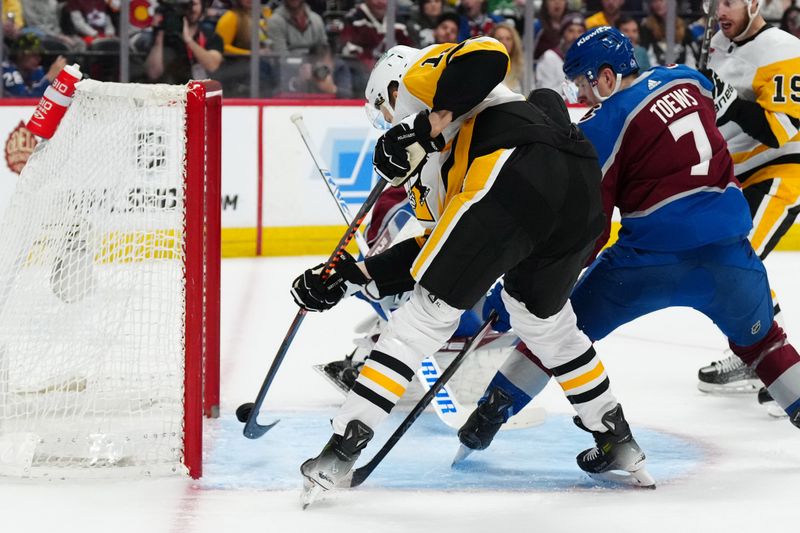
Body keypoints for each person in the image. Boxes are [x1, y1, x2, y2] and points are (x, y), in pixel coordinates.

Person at [292, 36, 652, 507]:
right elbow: (444, 251)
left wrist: (423, 127)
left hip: (518, 175)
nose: (388, 128)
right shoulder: (447, 163)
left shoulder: (425, 79)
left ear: (393, 90)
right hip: (578, 201)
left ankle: (340, 452)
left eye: (386, 114)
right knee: (546, 325)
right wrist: (350, 276)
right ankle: (617, 437)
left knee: (418, 322)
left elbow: (490, 54)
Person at [456, 27, 800, 466]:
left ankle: (486, 419)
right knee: (766, 343)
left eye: (583, 84)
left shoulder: (602, 127)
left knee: (552, 335)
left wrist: (529, 290)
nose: (584, 96)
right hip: (728, 252)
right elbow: (711, 103)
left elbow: (588, 230)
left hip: (645, 264)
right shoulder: (689, 77)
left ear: (605, 76)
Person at [695, 0, 800, 407]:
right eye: (713, 2)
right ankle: (763, 351)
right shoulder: (720, 42)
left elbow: (783, 129)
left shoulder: (784, 49)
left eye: (728, 2)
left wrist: (730, 104)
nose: (718, 10)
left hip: (782, 171)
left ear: (754, 3)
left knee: (739, 257)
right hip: (737, 176)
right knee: (729, 259)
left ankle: (773, 360)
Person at [145, 0, 223, 84]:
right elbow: (153, 73)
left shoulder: (210, 35)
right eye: (183, 5)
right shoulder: (167, 36)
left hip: (201, 92)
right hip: (171, 90)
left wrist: (189, 41)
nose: (189, 8)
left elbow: (212, 65)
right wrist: (159, 32)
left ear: (202, 7)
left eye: (193, 4)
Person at [2, 34, 67, 97]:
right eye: (34, 54)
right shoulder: (7, 71)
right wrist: (49, 77)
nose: (39, 59)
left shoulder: (35, 71)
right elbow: (24, 100)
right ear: (20, 54)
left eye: (40, 55)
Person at [535, 13, 586, 91]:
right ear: (563, 34)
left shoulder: (589, 59)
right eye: (570, 31)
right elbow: (545, 93)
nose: (575, 36)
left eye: (580, 31)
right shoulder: (550, 57)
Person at [639, 0, 697, 67]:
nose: (658, 4)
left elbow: (691, 57)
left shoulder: (684, 28)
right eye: (654, 1)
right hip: (657, 73)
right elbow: (645, 56)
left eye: (661, 1)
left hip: (682, 73)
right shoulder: (646, 28)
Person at [290, 42, 354, 97]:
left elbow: (349, 95)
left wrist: (333, 89)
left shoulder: (340, 69)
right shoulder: (302, 69)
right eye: (317, 67)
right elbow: (285, 92)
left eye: (325, 68)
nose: (320, 72)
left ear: (332, 63)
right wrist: (300, 82)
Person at [489, 22, 523, 93]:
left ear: (514, 42)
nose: (504, 42)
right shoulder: (485, 66)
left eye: (508, 39)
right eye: (500, 39)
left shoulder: (522, 66)